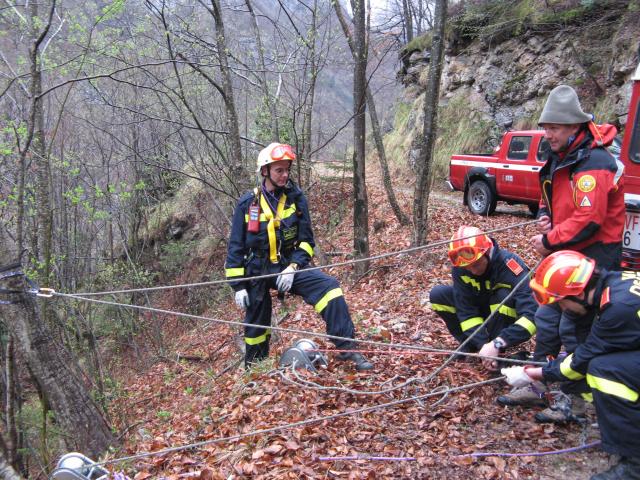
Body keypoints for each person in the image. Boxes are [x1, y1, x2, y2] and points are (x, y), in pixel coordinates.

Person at [501, 85, 625, 418]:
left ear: (573, 127)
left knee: (576, 328)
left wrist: (549, 241)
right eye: (545, 127)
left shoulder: (595, 161)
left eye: (553, 127)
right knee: (546, 317)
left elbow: (590, 219)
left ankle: (576, 400)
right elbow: (548, 197)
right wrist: (544, 217)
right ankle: (538, 385)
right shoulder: (561, 156)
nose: (547, 134)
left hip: (593, 258)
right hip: (566, 255)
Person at [224, 143, 373, 371]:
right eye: (278, 170)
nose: (284, 175)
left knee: (330, 288)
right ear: (265, 171)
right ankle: (255, 370)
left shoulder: (296, 199)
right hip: (257, 268)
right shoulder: (247, 204)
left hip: (286, 265)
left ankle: (348, 349)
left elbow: (306, 241)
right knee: (256, 324)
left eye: (286, 170)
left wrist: (293, 266)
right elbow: (235, 247)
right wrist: (238, 286)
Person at [502, 250, 640, 480]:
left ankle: (635, 465)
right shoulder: (614, 283)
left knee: (604, 371)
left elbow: (579, 363)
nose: (562, 308)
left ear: (576, 293)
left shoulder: (617, 308)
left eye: (561, 302)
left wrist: (532, 374)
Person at [430, 226, 538, 372]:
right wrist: (482, 345)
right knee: (438, 295)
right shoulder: (461, 267)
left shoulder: (511, 267)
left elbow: (532, 316)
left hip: (504, 324)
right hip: (481, 312)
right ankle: (471, 344)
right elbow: (466, 312)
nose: (472, 271)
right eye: (468, 268)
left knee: (502, 296)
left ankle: (498, 351)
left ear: (487, 252)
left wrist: (497, 344)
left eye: (475, 265)